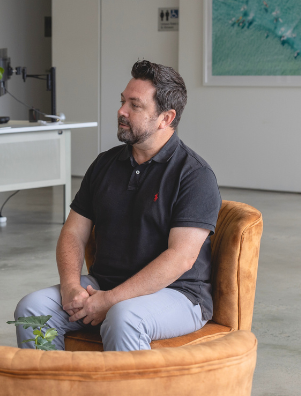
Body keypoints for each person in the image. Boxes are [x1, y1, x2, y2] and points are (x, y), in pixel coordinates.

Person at [15, 60, 221, 352]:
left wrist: (111, 300)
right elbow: (73, 232)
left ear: (166, 118)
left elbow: (181, 258)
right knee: (32, 309)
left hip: (178, 294)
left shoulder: (195, 175)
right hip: (102, 282)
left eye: (135, 105)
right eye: (123, 101)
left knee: (124, 317)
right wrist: (71, 285)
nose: (121, 111)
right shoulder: (104, 164)